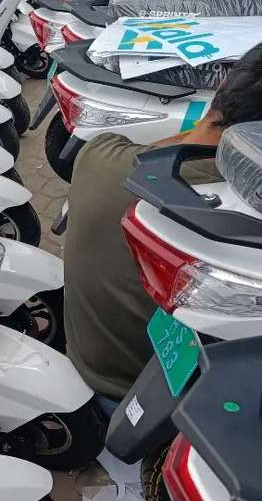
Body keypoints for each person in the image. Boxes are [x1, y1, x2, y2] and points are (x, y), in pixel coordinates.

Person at [63, 46, 262, 408]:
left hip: (85, 360)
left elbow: (160, 149)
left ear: (222, 88)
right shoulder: (241, 221)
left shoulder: (100, 155)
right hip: (159, 404)